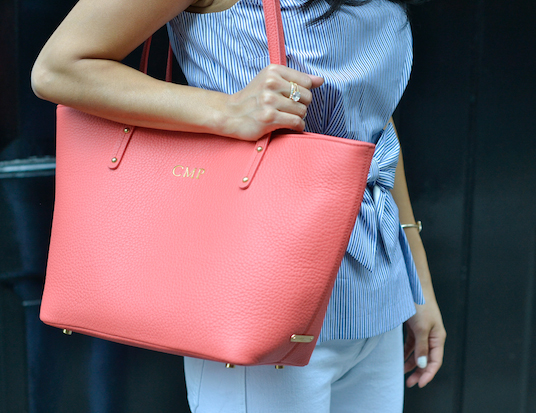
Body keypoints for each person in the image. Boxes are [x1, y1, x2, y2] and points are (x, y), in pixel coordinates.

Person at [32, 0, 446, 411]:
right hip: (258, 302)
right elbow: (59, 67)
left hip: (377, 296)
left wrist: (417, 284)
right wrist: (226, 111)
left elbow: (370, 120)